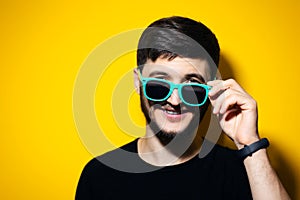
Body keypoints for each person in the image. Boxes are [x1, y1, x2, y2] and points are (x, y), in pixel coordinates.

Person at [75, 16, 290, 199]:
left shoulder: (242, 169)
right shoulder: (99, 176)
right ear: (137, 83)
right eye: (159, 85)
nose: (175, 101)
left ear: (211, 88)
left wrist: (250, 144)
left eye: (192, 87)